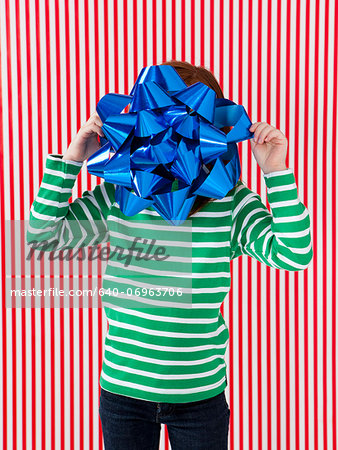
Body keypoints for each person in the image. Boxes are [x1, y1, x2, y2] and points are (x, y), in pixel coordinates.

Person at [26, 60, 313, 450]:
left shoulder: (229, 203)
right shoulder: (118, 197)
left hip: (200, 398)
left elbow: (294, 254)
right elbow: (41, 239)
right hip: (123, 393)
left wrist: (275, 172)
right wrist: (72, 160)